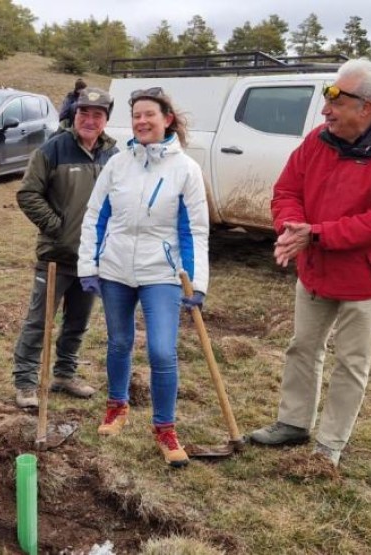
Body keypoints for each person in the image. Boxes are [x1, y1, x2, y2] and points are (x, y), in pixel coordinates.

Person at [247, 59, 371, 467]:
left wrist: (316, 234)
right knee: (302, 348)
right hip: (315, 269)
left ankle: (329, 443)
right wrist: (291, 228)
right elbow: (286, 189)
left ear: (366, 106)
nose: (325, 108)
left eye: (335, 98)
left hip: (367, 278)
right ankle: (293, 423)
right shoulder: (320, 139)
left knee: (351, 362)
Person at [78, 87, 210, 468]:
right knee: (119, 342)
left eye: (149, 114)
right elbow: (94, 216)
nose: (141, 121)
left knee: (161, 351)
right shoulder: (117, 164)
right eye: (136, 115)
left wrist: (196, 281)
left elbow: (195, 230)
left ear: (166, 119)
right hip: (116, 269)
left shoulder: (186, 169)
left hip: (162, 272)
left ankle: (164, 428)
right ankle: (117, 407)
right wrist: (89, 266)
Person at [11, 87, 119, 409]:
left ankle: (64, 374)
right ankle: (26, 382)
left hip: (92, 260)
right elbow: (28, 194)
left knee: (78, 321)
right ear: (74, 115)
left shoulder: (113, 156)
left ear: (105, 120)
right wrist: (56, 226)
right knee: (39, 321)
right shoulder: (52, 150)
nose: (89, 120)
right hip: (56, 256)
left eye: (97, 115)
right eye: (83, 113)